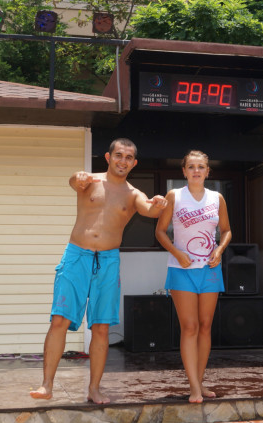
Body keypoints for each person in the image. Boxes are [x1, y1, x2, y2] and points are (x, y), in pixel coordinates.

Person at [30, 138, 168, 404]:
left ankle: (94, 389)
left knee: (101, 327)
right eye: (119, 155)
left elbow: (150, 209)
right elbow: (75, 181)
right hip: (77, 256)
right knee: (59, 320)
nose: (123, 161)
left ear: (134, 163)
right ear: (108, 157)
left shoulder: (133, 194)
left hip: (108, 261)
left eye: (128, 157)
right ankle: (46, 385)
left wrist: (160, 204)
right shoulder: (90, 181)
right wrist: (77, 177)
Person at [155, 150, 232, 403]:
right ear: (184, 171)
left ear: (208, 171)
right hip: (181, 270)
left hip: (210, 270)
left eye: (201, 167)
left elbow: (226, 230)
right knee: (189, 327)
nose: (196, 171)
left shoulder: (217, 197)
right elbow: (160, 232)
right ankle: (194, 388)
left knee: (205, 326)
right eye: (191, 167)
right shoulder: (174, 196)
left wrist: (219, 250)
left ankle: (199, 382)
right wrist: (177, 253)